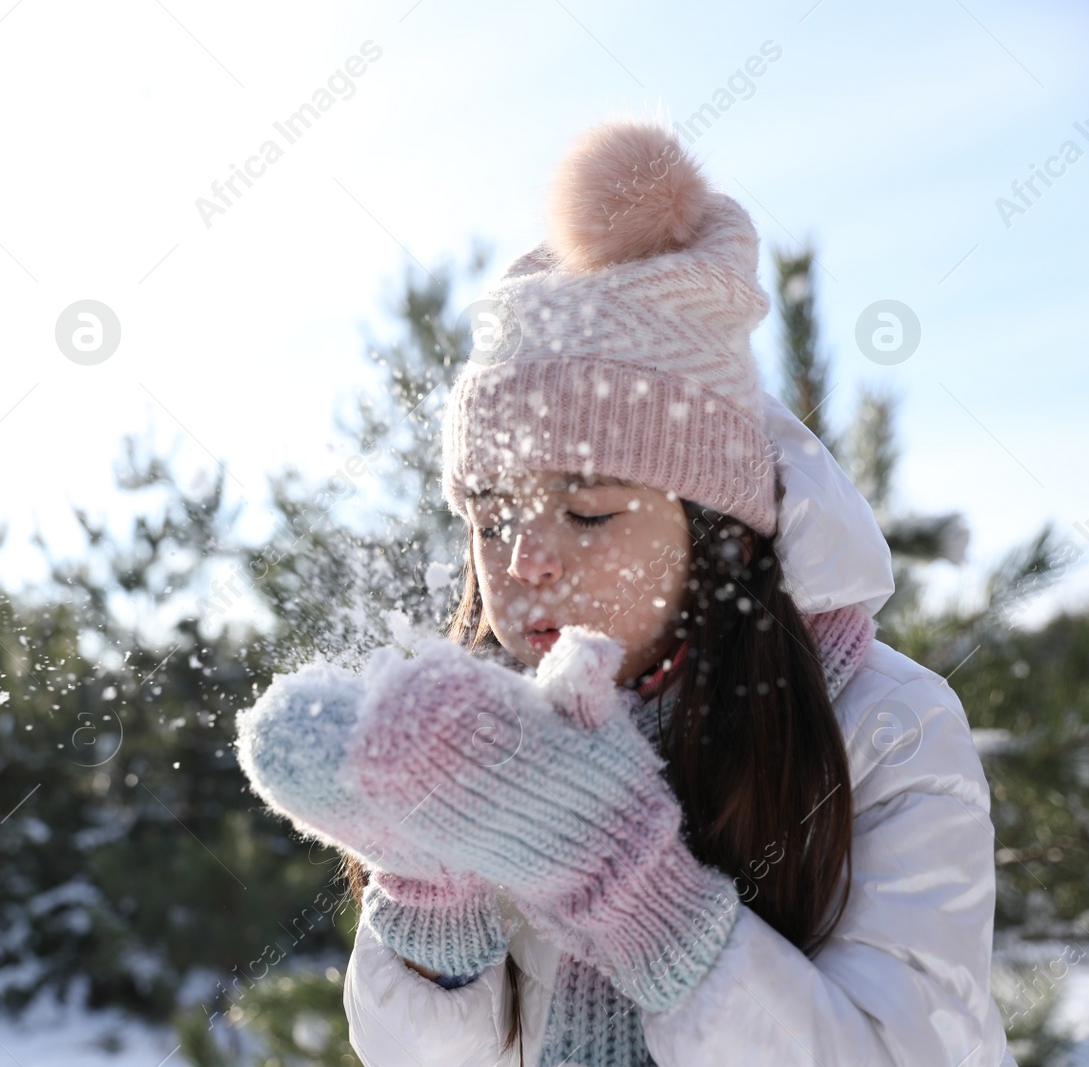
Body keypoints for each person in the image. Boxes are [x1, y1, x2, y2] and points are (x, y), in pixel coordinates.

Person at [234, 118, 1015, 1065]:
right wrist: (433, 905)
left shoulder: (885, 728)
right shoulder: (474, 735)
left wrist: (646, 899)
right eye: (490, 518)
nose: (523, 561)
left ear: (713, 531)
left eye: (590, 513)